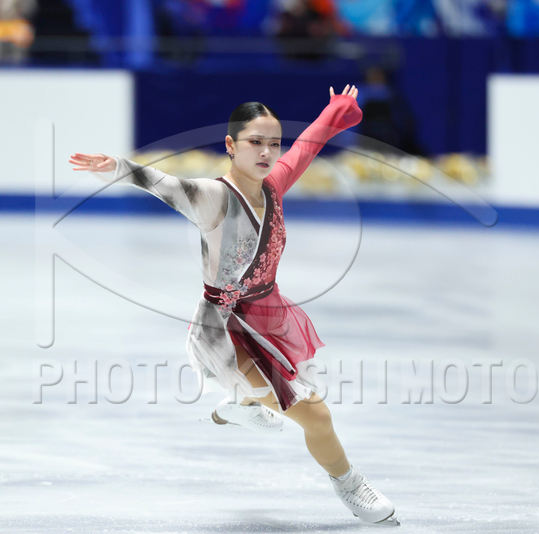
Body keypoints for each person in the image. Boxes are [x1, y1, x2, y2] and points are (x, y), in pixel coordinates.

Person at [69, 84, 400, 526]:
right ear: (230, 145)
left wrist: (335, 110)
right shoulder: (214, 196)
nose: (266, 152)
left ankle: (244, 407)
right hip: (222, 329)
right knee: (314, 415)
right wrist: (117, 167)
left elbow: (306, 147)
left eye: (273, 143)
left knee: (301, 411)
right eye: (254, 142)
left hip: (266, 317)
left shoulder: (274, 187)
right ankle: (345, 480)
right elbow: (167, 185)